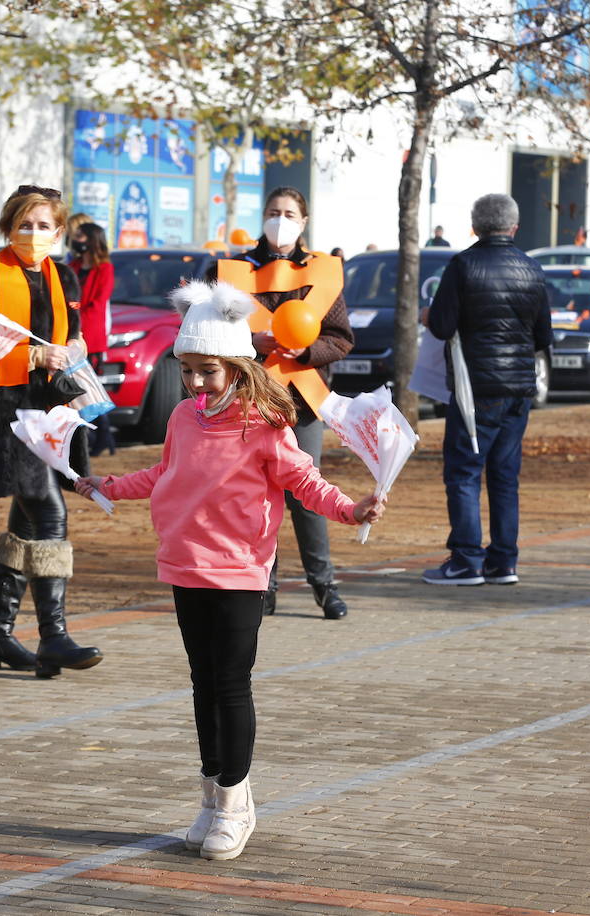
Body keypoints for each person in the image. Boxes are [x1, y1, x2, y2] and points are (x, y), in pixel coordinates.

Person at [74, 281, 384, 861]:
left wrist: (350, 509)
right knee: (202, 682)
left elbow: (305, 481)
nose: (195, 382)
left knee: (231, 683)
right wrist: (108, 486)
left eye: (208, 371)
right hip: (184, 563)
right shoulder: (183, 418)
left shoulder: (265, 423)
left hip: (239, 571)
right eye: (187, 370)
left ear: (238, 367)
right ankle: (212, 794)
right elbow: (164, 474)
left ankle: (237, 804)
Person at [0, 185, 103, 679]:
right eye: (25, 224)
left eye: (43, 226)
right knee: (49, 512)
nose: (34, 233)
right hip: (8, 416)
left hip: (52, 413)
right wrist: (35, 355)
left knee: (26, 522)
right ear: (8, 228)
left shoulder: (63, 275)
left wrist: (74, 350)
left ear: (58, 232)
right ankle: (53, 637)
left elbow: (76, 336)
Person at [206, 186, 356, 620]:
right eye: (274, 212)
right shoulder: (232, 271)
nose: (281, 220)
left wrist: (307, 351)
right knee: (253, 495)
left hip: (302, 402)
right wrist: (250, 341)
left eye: (290, 214)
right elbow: (208, 330)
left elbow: (341, 338)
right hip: (249, 400)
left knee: (307, 494)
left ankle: (324, 585)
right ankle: (261, 585)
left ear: (303, 222)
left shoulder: (322, 273)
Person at [422, 193, 551, 586]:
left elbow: (442, 326)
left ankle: (466, 560)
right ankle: (503, 561)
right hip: (519, 388)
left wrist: (428, 315)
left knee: (463, 472)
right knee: (505, 475)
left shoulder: (463, 265)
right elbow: (544, 335)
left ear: (474, 226)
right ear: (514, 227)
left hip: (474, 387)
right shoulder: (532, 269)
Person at [70, 221, 116, 457]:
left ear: (92, 240)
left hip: (91, 336)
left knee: (89, 386)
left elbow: (97, 303)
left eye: (80, 236)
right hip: (72, 333)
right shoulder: (73, 266)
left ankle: (103, 434)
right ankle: (103, 435)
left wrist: (75, 311)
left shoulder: (104, 269)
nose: (76, 240)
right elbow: (68, 297)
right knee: (80, 387)